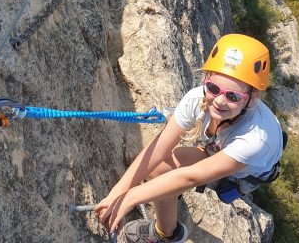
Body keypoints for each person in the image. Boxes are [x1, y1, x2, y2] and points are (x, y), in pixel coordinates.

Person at [94, 34, 285, 242]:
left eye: (233, 96)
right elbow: (159, 147)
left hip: (242, 171)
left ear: (251, 98)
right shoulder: (197, 98)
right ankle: (169, 228)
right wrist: (116, 193)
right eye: (213, 88)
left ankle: (163, 235)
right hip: (218, 148)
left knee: (170, 178)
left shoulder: (255, 140)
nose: (219, 101)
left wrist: (130, 198)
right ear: (206, 80)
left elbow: (191, 176)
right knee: (159, 170)